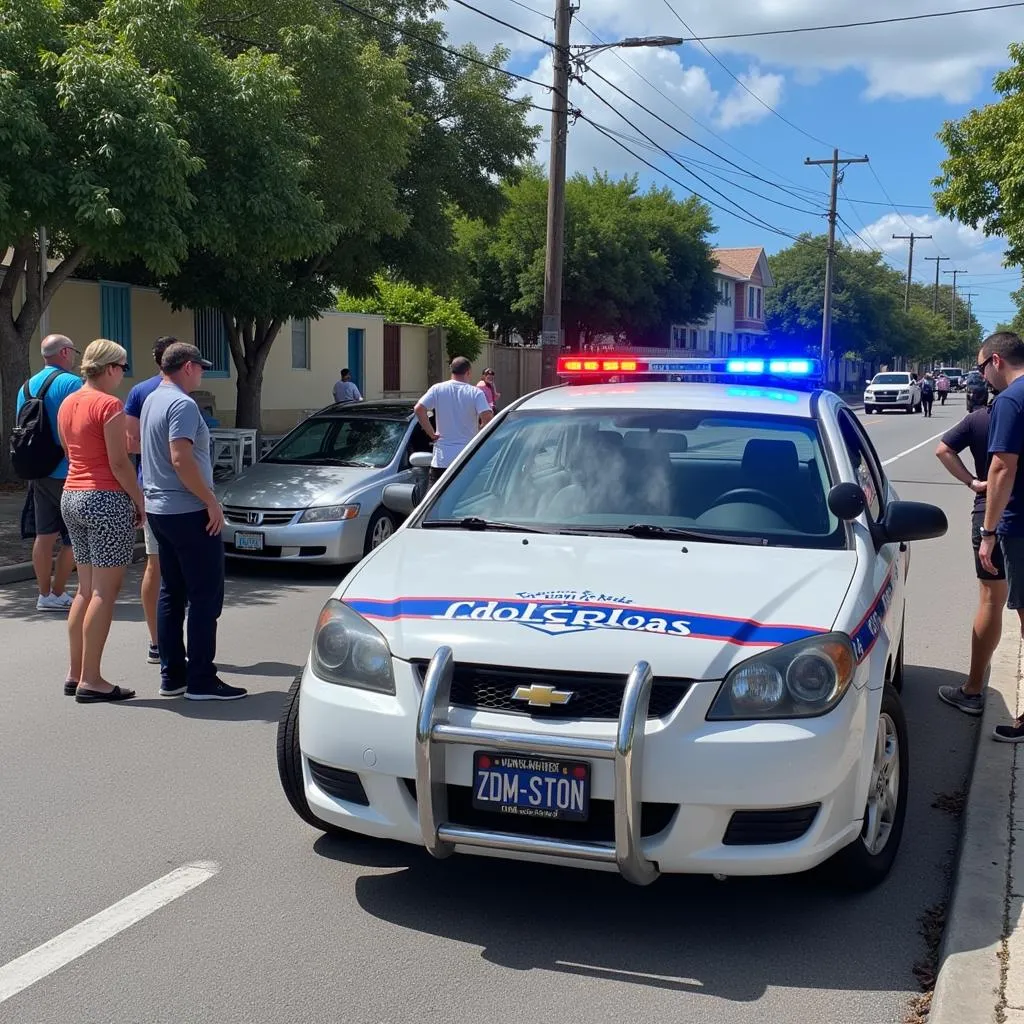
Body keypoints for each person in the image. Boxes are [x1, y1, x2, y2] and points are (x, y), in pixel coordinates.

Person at [141, 342, 247, 701]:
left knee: (172, 593)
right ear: (186, 366)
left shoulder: (152, 398)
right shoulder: (182, 404)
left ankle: (173, 675)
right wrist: (210, 501)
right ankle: (201, 678)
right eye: (200, 367)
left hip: (159, 509)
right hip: (188, 511)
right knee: (205, 597)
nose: (201, 373)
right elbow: (180, 458)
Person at [57, 340, 145, 703]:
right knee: (103, 593)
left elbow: (68, 451)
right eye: (123, 367)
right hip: (105, 499)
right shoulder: (109, 404)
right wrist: (139, 501)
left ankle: (75, 672)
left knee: (84, 589)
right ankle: (92, 679)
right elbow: (119, 462)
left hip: (72, 495)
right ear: (110, 368)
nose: (123, 374)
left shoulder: (68, 402)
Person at [936, 383, 1006, 716]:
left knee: (992, 599)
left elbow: (943, 450)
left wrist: (972, 481)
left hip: (990, 510)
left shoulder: (980, 419)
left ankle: (973, 689)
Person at [976, 332, 1024, 741]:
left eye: (980, 368)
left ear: (996, 361)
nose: (983, 378)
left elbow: (1002, 469)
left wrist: (988, 531)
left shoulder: (1010, 400)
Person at [15, 334, 82, 611]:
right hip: (68, 470)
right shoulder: (72, 383)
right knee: (75, 538)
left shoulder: (26, 387)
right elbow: (81, 426)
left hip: (38, 470)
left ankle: (44, 594)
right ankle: (58, 591)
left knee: (44, 536)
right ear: (65, 352)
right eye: (74, 351)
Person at [125, 336, 176, 665]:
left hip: (150, 487)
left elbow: (131, 443)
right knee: (175, 568)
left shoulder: (138, 392)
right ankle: (169, 642)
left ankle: (158, 641)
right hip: (175, 491)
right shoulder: (178, 391)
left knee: (155, 565)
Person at [415, 356, 494, 487]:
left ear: (451, 370)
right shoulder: (475, 393)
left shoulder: (437, 389)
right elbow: (488, 419)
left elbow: (419, 409)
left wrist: (431, 434)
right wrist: (478, 433)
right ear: (468, 372)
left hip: (442, 460)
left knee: (435, 502)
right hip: (467, 458)